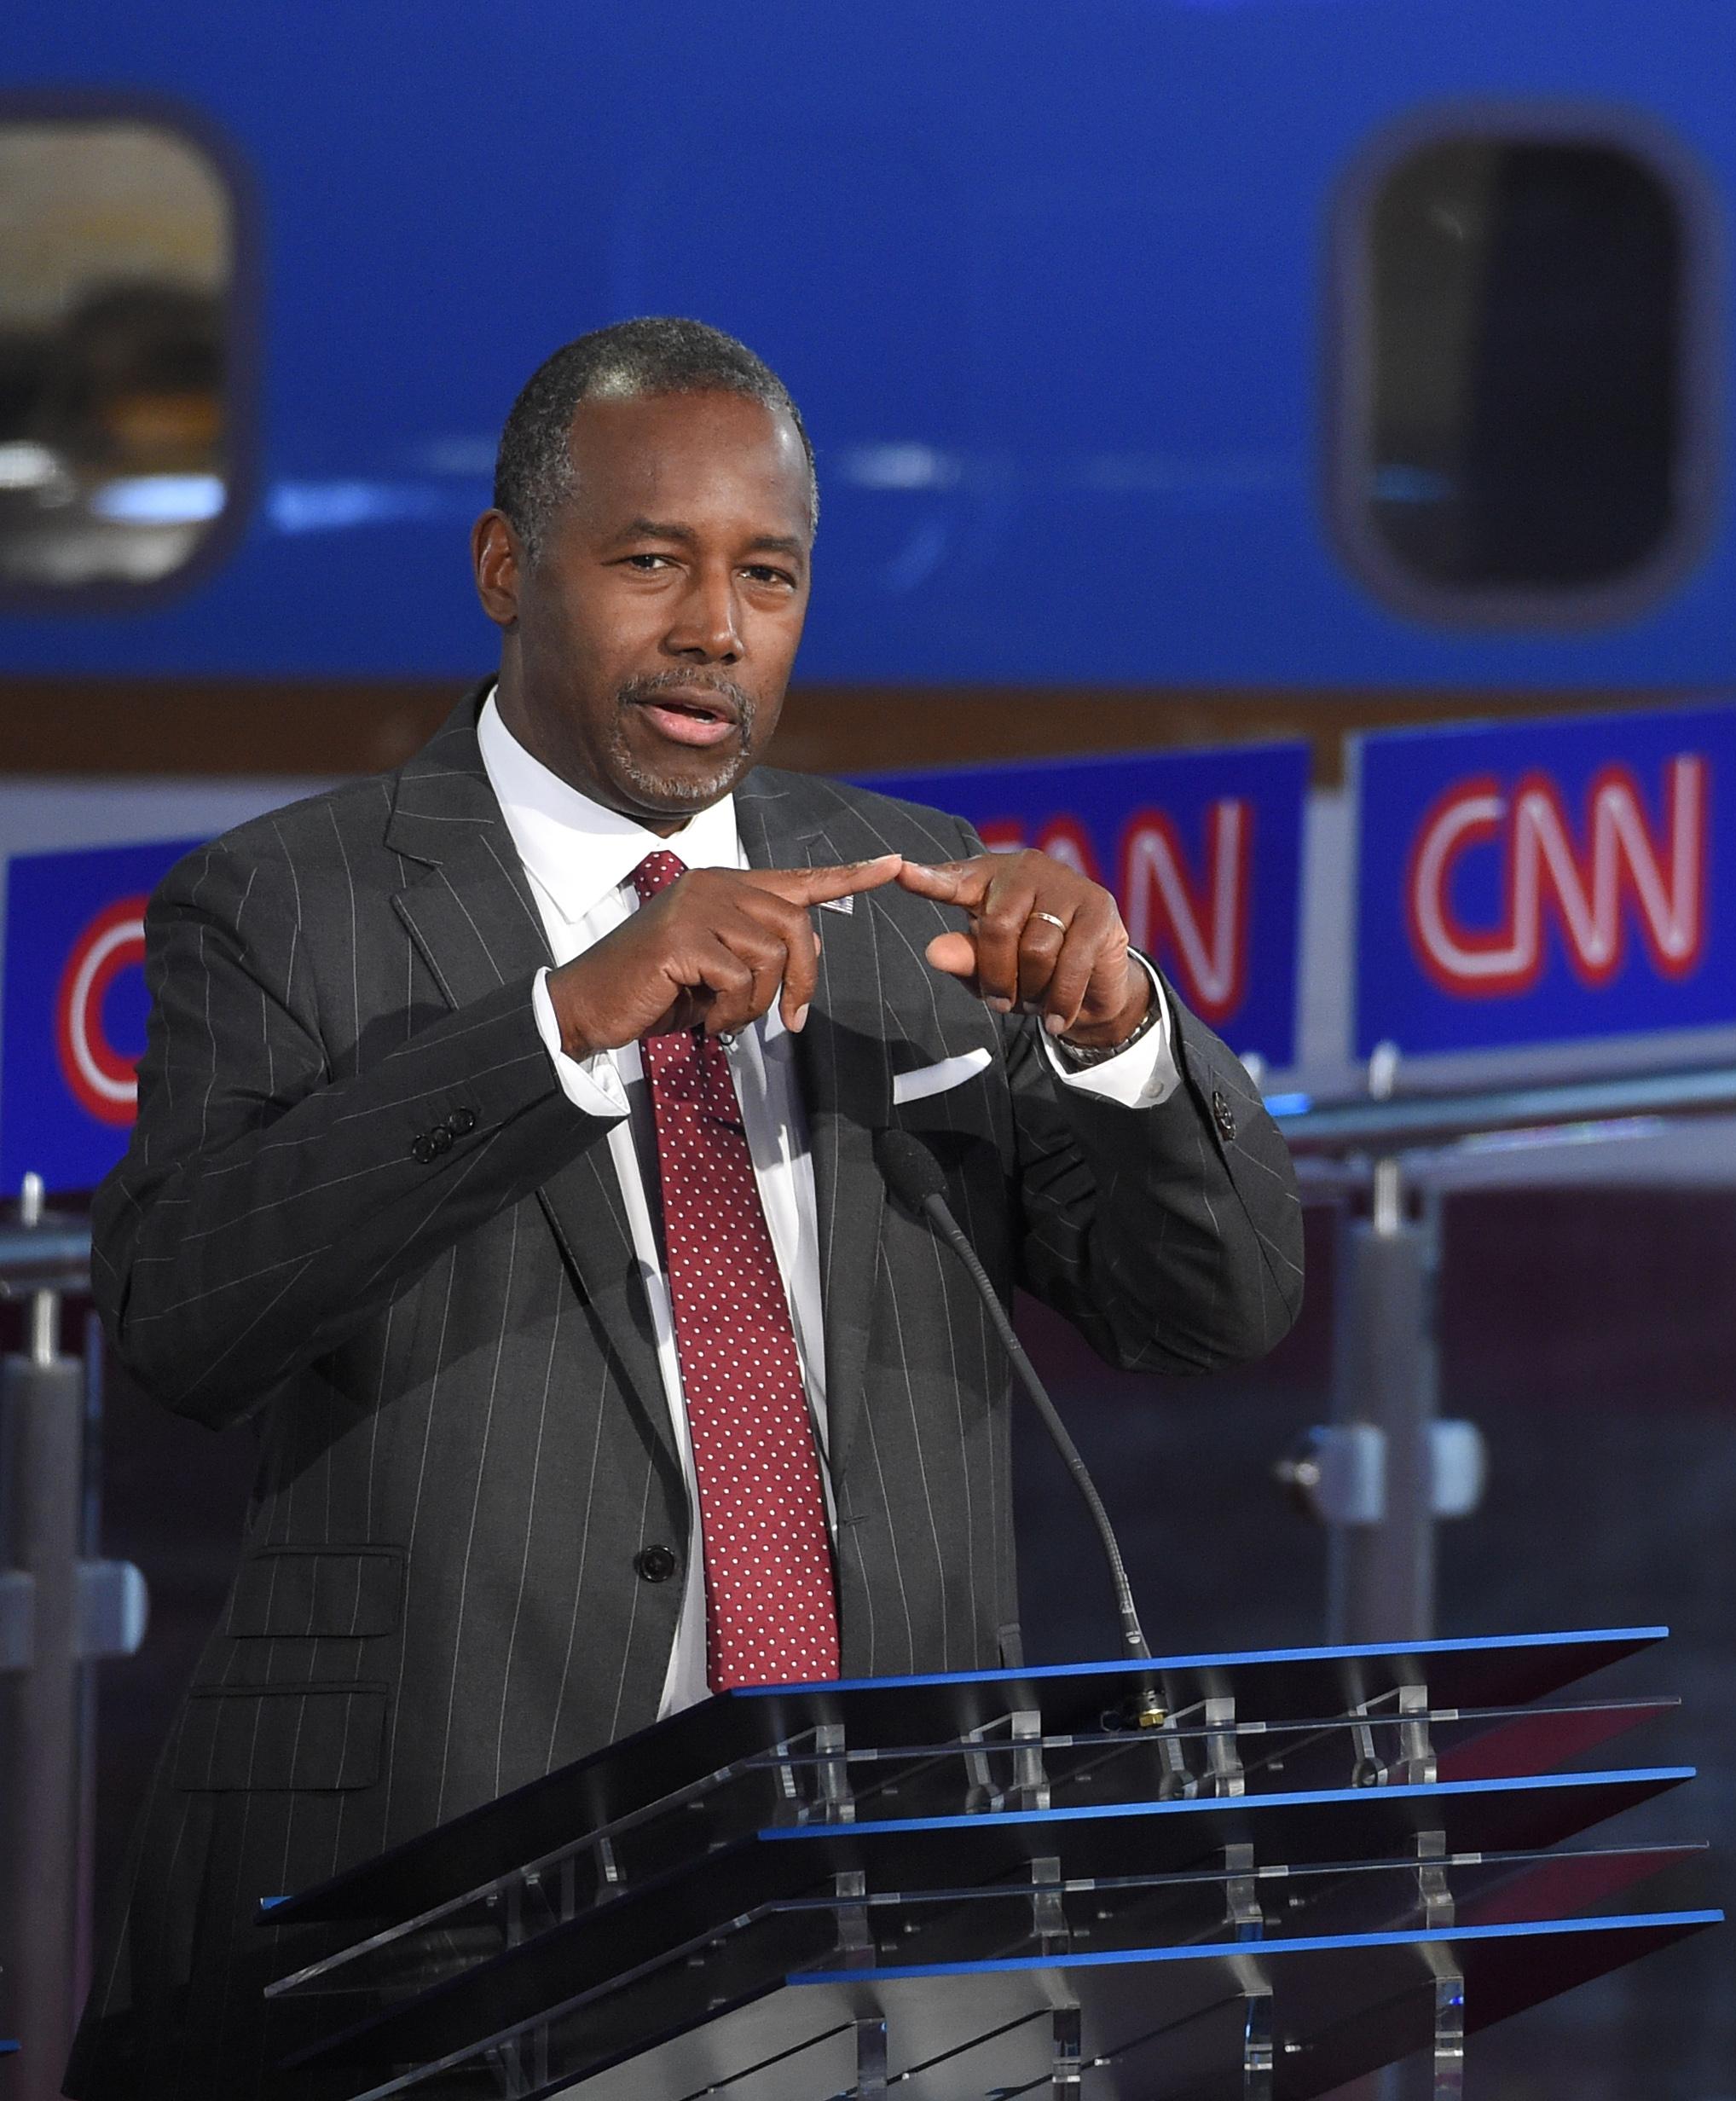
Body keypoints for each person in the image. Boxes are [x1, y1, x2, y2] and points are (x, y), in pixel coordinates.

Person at [65, 317, 1304, 2097]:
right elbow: (183, 1313)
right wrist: (563, 1024)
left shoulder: (910, 897)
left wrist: (1121, 1034)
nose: (716, 627)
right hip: (443, 1880)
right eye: (651, 561)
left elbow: (1219, 1305)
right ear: (506, 568)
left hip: (879, 1894)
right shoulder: (289, 904)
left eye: (766, 574)